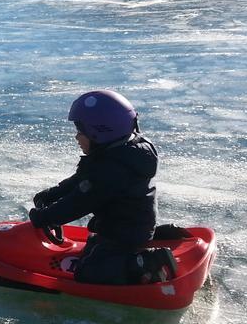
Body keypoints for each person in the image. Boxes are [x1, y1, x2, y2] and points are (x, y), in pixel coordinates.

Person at [27, 90, 178, 285]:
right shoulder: (118, 154)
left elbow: (80, 202)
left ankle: (147, 262)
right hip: (122, 227)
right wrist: (51, 195)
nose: (76, 137)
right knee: (92, 248)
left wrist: (44, 217)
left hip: (125, 234)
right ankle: (140, 250)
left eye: (81, 132)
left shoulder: (112, 170)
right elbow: (80, 181)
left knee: (89, 273)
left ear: (99, 133)